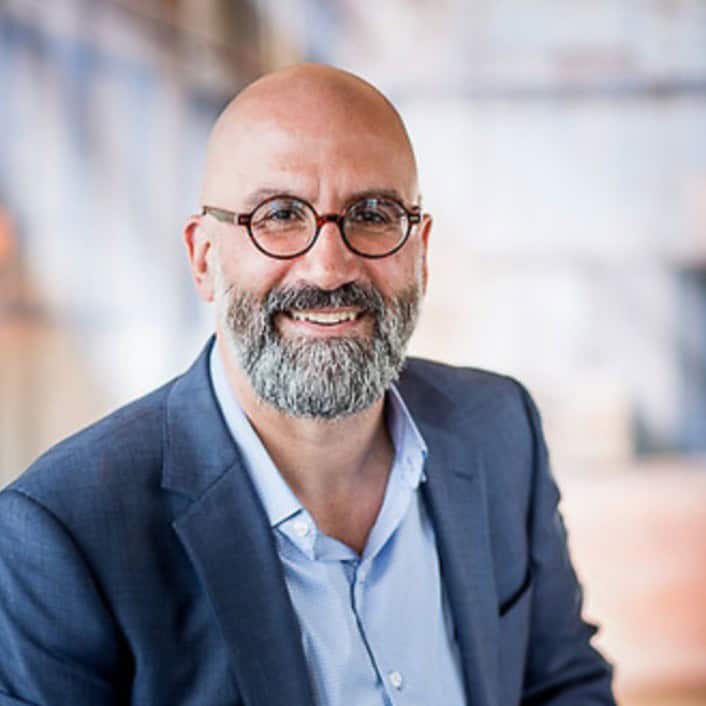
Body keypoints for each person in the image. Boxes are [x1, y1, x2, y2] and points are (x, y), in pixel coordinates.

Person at [0, 64, 615, 706]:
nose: (328, 267)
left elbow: (561, 683)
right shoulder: (61, 536)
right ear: (204, 258)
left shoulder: (499, 428)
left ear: (421, 253)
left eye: (373, 214)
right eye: (280, 215)